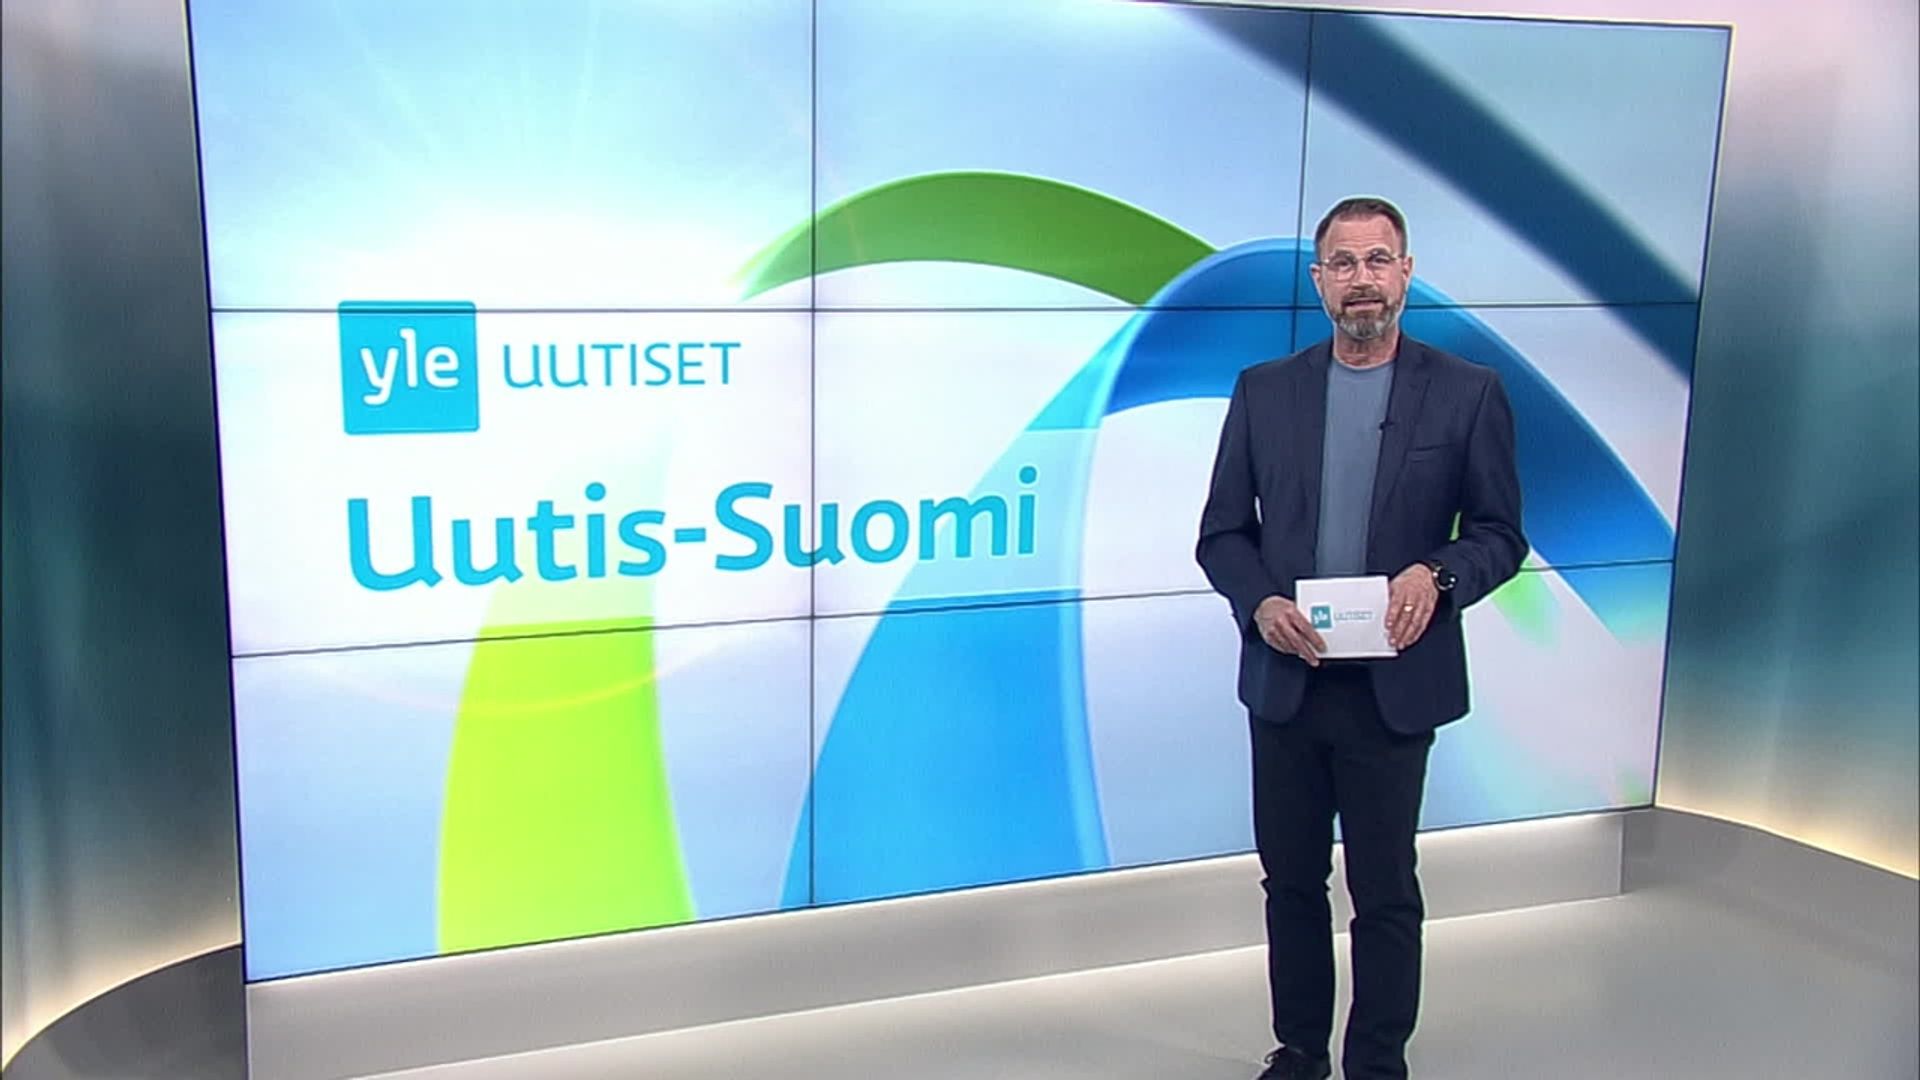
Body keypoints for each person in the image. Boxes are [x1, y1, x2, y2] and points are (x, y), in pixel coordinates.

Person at [1196, 196, 1528, 1080]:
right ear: (1319, 281)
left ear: (1406, 273)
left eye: (1378, 260)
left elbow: (1500, 534)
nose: (1362, 280)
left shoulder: (1467, 393)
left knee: (1384, 891)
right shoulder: (1265, 392)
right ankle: (1300, 1051)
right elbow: (1222, 534)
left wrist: (1438, 576)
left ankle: (1377, 1063)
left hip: (1394, 688)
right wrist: (1260, 603)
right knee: (1291, 884)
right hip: (1288, 682)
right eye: (1343, 264)